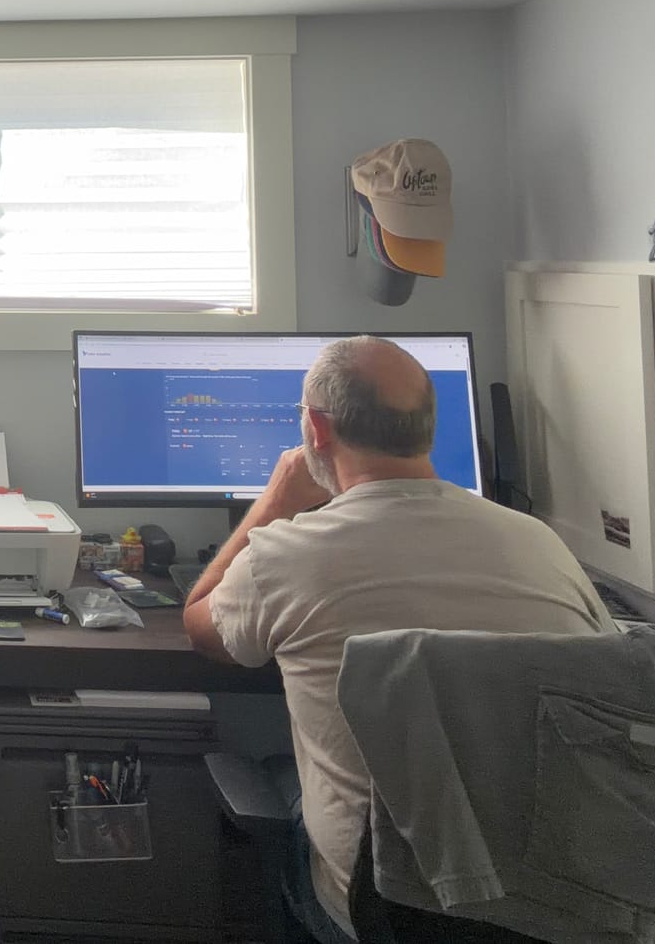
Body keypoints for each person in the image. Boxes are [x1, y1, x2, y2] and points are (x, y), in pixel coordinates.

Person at [181, 337, 612, 943]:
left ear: (315, 428)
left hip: (384, 909)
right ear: (428, 429)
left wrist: (275, 501)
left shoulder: (288, 556)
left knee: (285, 786)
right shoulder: (541, 543)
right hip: (551, 903)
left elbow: (201, 626)